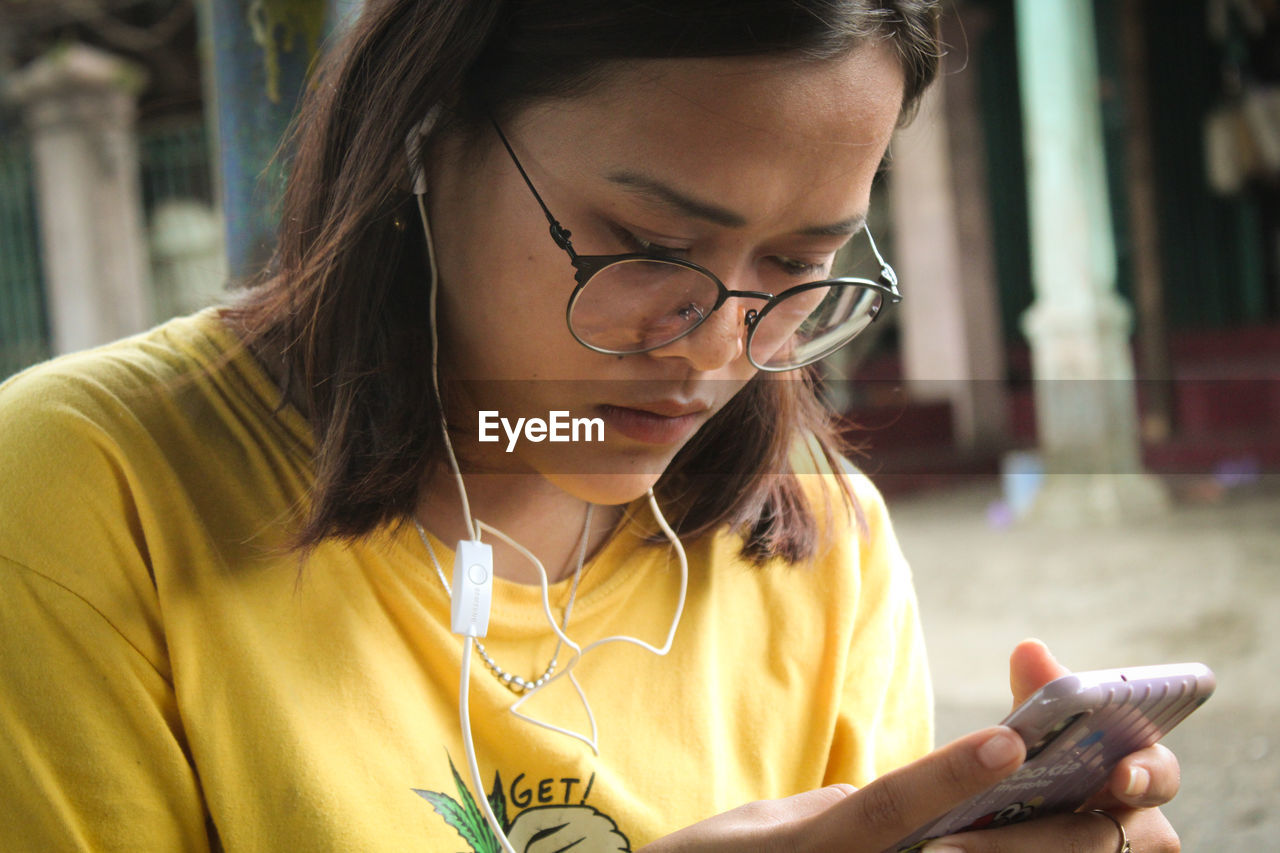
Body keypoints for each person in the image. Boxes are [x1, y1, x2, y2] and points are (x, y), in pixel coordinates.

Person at [0, 1, 1182, 851]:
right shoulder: (85, 493)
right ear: (427, 137)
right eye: (644, 248)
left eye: (795, 264)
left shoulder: (823, 544)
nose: (716, 350)